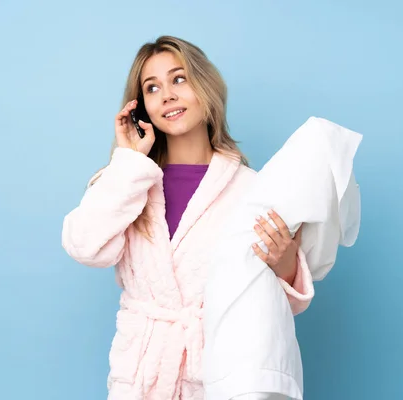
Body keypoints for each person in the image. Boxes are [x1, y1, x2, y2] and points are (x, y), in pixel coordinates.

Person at [61, 35, 315, 400]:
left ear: (204, 86)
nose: (167, 95)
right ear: (141, 108)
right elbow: (84, 247)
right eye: (152, 88)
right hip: (142, 376)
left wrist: (287, 264)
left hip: (219, 370)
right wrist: (130, 160)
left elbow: (275, 310)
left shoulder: (252, 189)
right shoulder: (126, 180)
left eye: (179, 79)